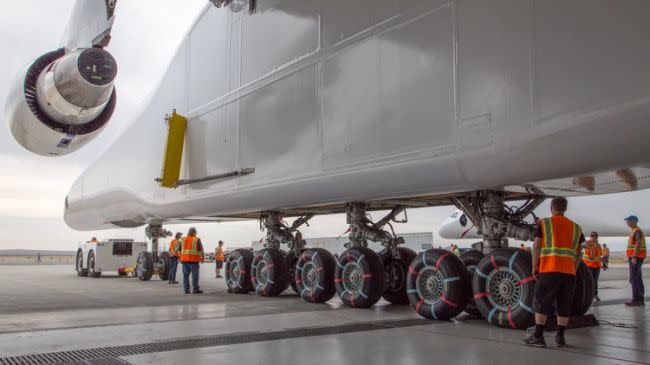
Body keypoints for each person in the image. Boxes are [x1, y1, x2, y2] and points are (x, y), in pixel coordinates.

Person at [524, 197, 584, 348]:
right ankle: (560, 337)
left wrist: (534, 266)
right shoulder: (576, 227)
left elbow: (537, 246)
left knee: (542, 303)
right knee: (564, 304)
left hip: (549, 269)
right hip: (568, 273)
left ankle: (538, 336)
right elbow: (579, 253)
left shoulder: (544, 223)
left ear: (552, 208)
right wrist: (573, 268)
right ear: (565, 208)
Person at [624, 215, 646, 306]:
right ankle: (640, 299)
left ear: (633, 221)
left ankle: (636, 300)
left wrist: (635, 256)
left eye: (628, 220)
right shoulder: (635, 231)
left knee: (633, 279)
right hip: (636, 257)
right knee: (637, 278)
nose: (627, 222)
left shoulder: (637, 231)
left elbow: (638, 244)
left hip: (636, 257)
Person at [180, 227, 205, 294]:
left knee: (185, 276)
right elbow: (201, 249)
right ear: (194, 232)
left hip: (184, 261)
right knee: (195, 276)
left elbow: (179, 250)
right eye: (196, 232)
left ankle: (186, 290)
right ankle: (195, 289)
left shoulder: (182, 239)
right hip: (194, 261)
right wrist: (203, 258)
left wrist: (181, 257)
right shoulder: (196, 239)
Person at [582, 232, 602, 302]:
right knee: (590, 281)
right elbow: (580, 247)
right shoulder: (587, 243)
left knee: (595, 281)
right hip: (589, 265)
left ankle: (595, 295)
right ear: (590, 236)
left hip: (597, 265)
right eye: (592, 235)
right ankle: (588, 295)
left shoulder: (599, 245)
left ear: (597, 236)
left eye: (595, 235)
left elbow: (599, 255)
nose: (594, 237)